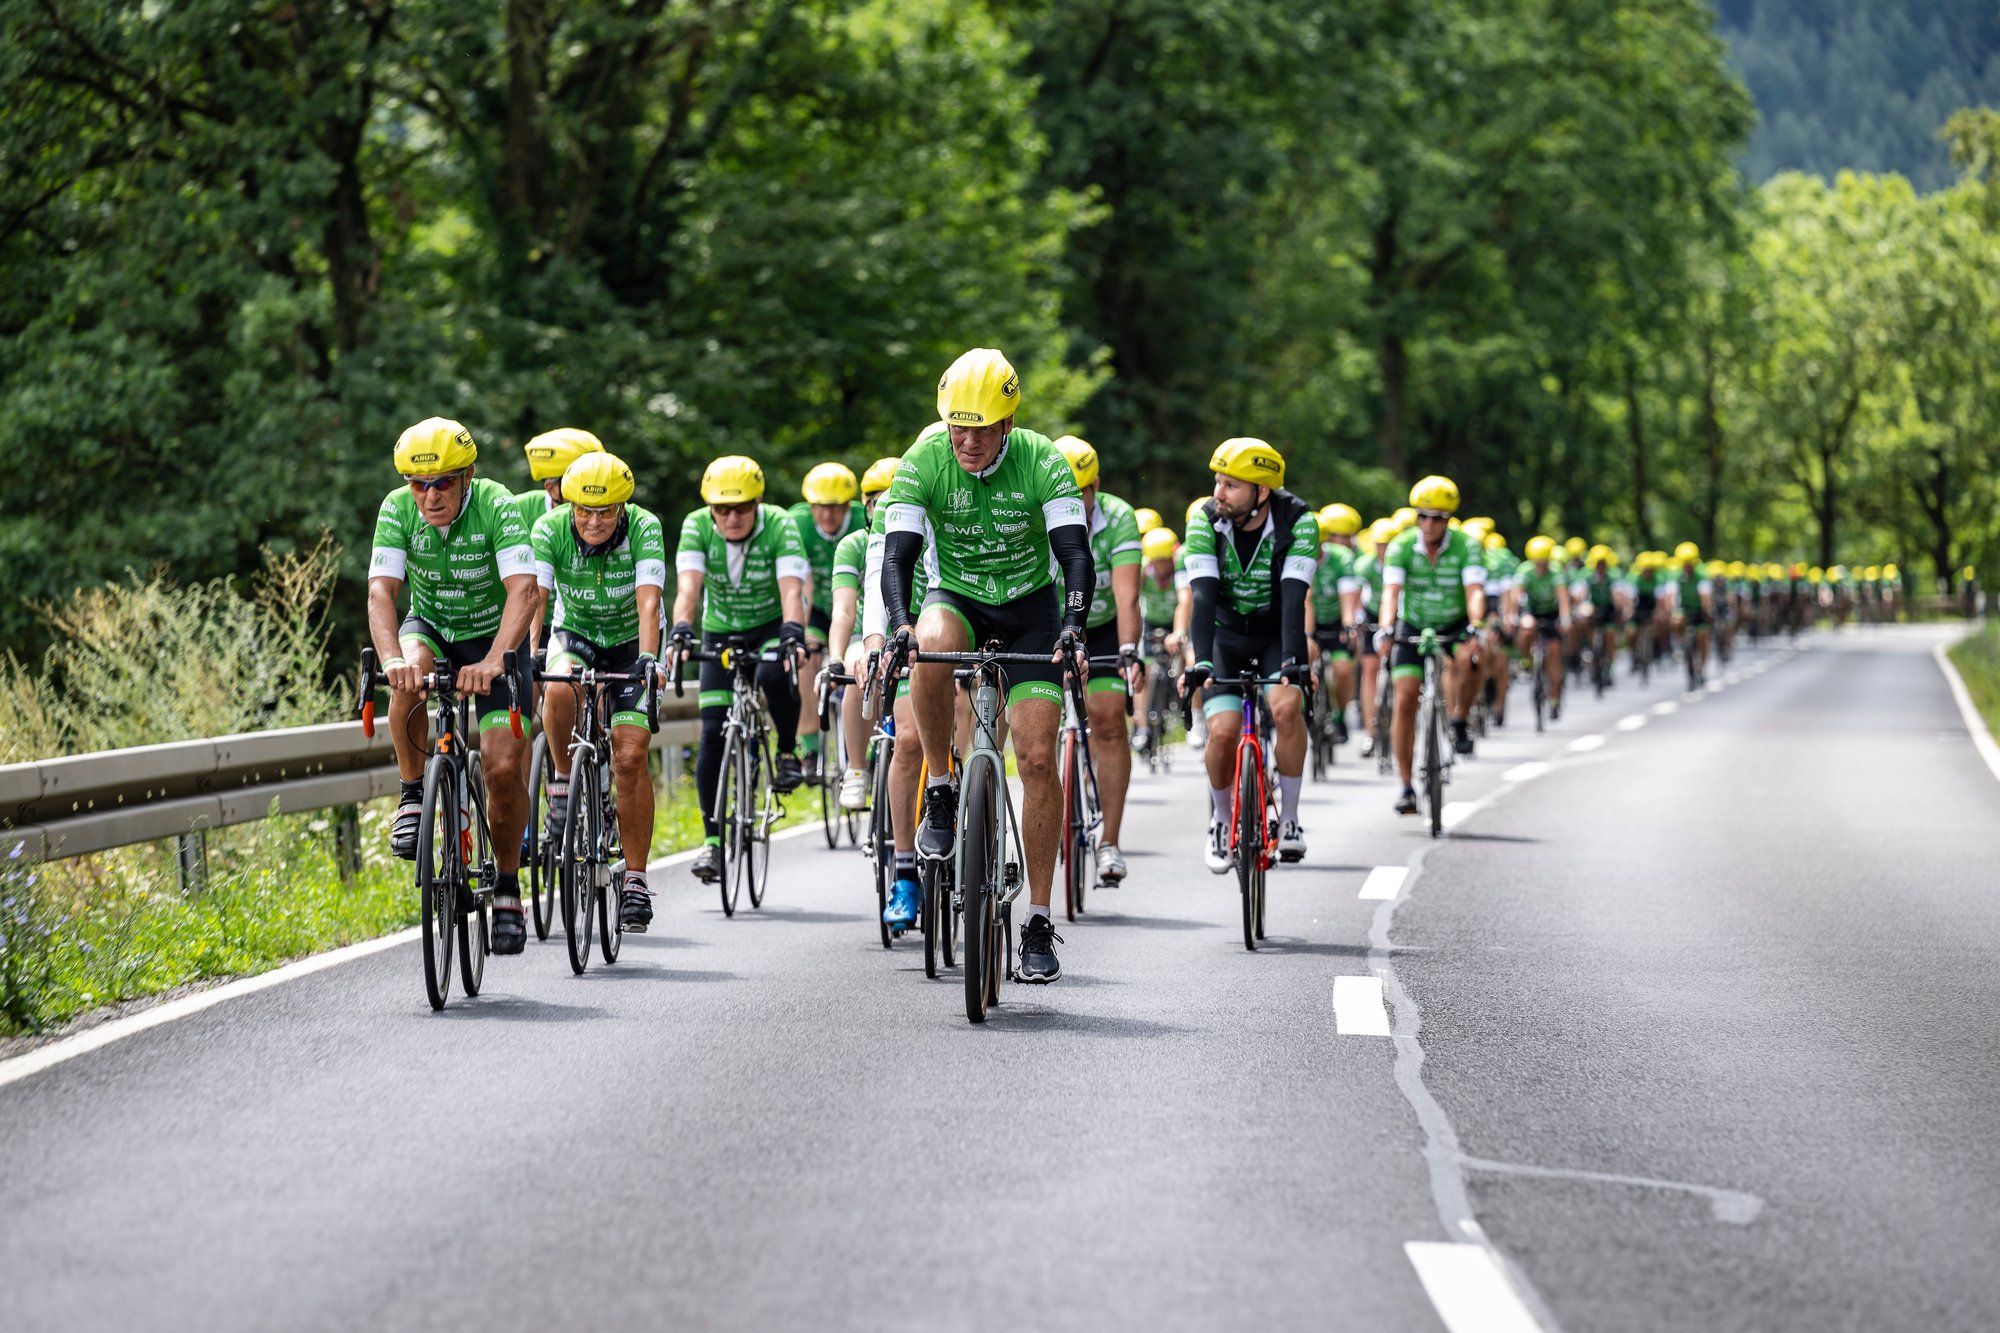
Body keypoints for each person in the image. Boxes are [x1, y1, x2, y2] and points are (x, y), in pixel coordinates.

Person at [878, 348, 1094, 983]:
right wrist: (897, 624)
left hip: (1031, 609)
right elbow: (898, 558)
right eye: (956, 427)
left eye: (980, 428)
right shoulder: (925, 459)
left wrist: (1075, 627)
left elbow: (1076, 558)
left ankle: (1037, 918)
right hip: (960, 599)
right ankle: (941, 791)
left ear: (1007, 422)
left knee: (1033, 755)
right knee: (928, 635)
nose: (966, 441)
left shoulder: (1043, 461)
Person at [367, 418, 538, 953]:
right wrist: (393, 658)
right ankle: (414, 794)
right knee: (408, 676)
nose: (430, 495)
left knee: (503, 767)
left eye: (443, 482)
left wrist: (493, 660)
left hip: (495, 636)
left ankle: (508, 886)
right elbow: (381, 593)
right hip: (433, 629)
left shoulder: (497, 504)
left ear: (467, 476)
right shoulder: (397, 510)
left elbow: (525, 590)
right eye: (419, 484)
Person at [530, 452, 667, 930]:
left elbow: (649, 601)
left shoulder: (646, 528)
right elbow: (537, 599)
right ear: (569, 506)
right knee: (561, 685)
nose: (593, 521)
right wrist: (530, 655)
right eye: (584, 511)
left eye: (605, 511)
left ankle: (634, 880)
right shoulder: (548, 529)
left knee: (631, 756)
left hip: (634, 643)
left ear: (622, 508)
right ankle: (565, 781)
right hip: (576, 636)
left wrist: (650, 660)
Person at [664, 455, 811, 885]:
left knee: (773, 672)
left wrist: (792, 633)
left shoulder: (780, 525)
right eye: (722, 509)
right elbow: (688, 588)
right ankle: (711, 842)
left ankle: (786, 750)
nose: (731, 517)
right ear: (710, 508)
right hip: (720, 632)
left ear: (758, 502)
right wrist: (682, 630)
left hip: (769, 627)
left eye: (742, 507)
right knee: (712, 733)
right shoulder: (695, 526)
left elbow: (792, 590)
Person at [1181, 438, 1318, 871]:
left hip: (1275, 632)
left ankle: (1291, 818)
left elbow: (1295, 597)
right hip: (1224, 636)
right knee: (1221, 732)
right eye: (1217, 482)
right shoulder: (1204, 519)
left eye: (1231, 486)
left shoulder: (1299, 521)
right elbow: (1201, 598)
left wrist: (1294, 660)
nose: (1218, 493)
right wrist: (1201, 660)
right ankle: (1222, 820)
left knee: (1286, 706)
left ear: (1262, 492)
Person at [1052, 435, 1145, 883]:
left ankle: (1110, 841)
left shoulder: (1120, 516)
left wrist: (1128, 652)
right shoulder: (1037, 505)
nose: (1074, 501)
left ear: (1096, 487)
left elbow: (1128, 597)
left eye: (1082, 492)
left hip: (1105, 623)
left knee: (1108, 719)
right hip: (1050, 619)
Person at [1378, 475, 1487, 815]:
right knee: (1406, 699)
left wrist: (1476, 625)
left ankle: (1459, 718)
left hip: (1454, 622)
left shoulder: (1467, 546)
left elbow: (1474, 591)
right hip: (1412, 623)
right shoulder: (1400, 545)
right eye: (1422, 516)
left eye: (1437, 517)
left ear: (1448, 520)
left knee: (1472, 659)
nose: (1428, 524)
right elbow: (1390, 593)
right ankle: (1407, 786)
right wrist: (1385, 628)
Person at [827, 456, 902, 815]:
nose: (884, 505)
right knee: (859, 669)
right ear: (866, 506)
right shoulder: (853, 545)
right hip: (867, 633)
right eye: (875, 499)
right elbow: (843, 608)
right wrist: (835, 657)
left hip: (914, 632)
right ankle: (856, 769)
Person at [789, 463, 864, 784]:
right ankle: (810, 749)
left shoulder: (865, 519)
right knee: (805, 659)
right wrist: (803, 631)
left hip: (858, 606)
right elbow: (798, 582)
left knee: (862, 665)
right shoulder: (797, 524)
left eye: (835, 508)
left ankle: (869, 744)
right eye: (820, 507)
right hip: (818, 607)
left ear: (848, 505)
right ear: (810, 506)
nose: (828, 516)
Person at [1310, 504, 1365, 745]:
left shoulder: (1342, 558)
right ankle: (1306, 712)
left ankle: (1341, 715)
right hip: (1309, 619)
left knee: (1343, 669)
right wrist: (1306, 634)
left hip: (1335, 621)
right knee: (1303, 664)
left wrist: (1348, 626)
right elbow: (1304, 600)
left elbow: (1348, 596)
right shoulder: (1296, 558)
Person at [1510, 535, 1570, 718]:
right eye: (1537, 563)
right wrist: (1513, 615)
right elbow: (1516, 596)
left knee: (1553, 653)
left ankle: (1554, 699)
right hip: (1532, 611)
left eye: (1544, 563)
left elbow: (1562, 597)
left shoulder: (1556, 571)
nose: (1541, 566)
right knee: (1527, 627)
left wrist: (1565, 618)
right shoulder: (1525, 571)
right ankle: (1526, 661)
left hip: (1551, 613)